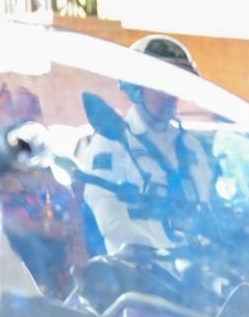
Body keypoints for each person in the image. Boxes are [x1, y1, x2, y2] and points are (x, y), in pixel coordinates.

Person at [79, 35, 215, 253]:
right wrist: (160, 251)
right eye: (161, 86)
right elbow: (111, 222)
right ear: (135, 89)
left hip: (195, 267)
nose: (170, 95)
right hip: (136, 268)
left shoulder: (189, 145)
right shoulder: (112, 142)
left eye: (176, 85)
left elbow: (204, 208)